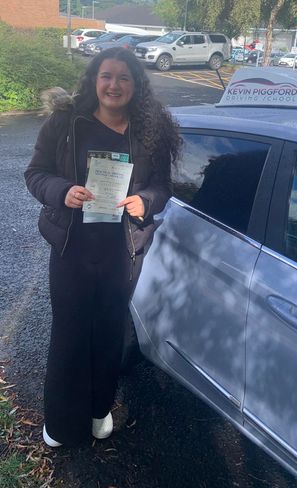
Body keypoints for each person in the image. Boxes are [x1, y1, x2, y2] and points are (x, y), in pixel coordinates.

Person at [24, 47, 181, 447]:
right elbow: (36, 174)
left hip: (123, 252)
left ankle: (98, 410)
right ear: (94, 79)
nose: (114, 85)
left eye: (124, 77)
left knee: (110, 334)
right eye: (106, 76)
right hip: (72, 249)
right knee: (70, 335)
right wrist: (63, 191)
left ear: (136, 85)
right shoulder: (65, 122)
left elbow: (163, 186)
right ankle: (61, 423)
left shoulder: (150, 130)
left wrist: (146, 200)